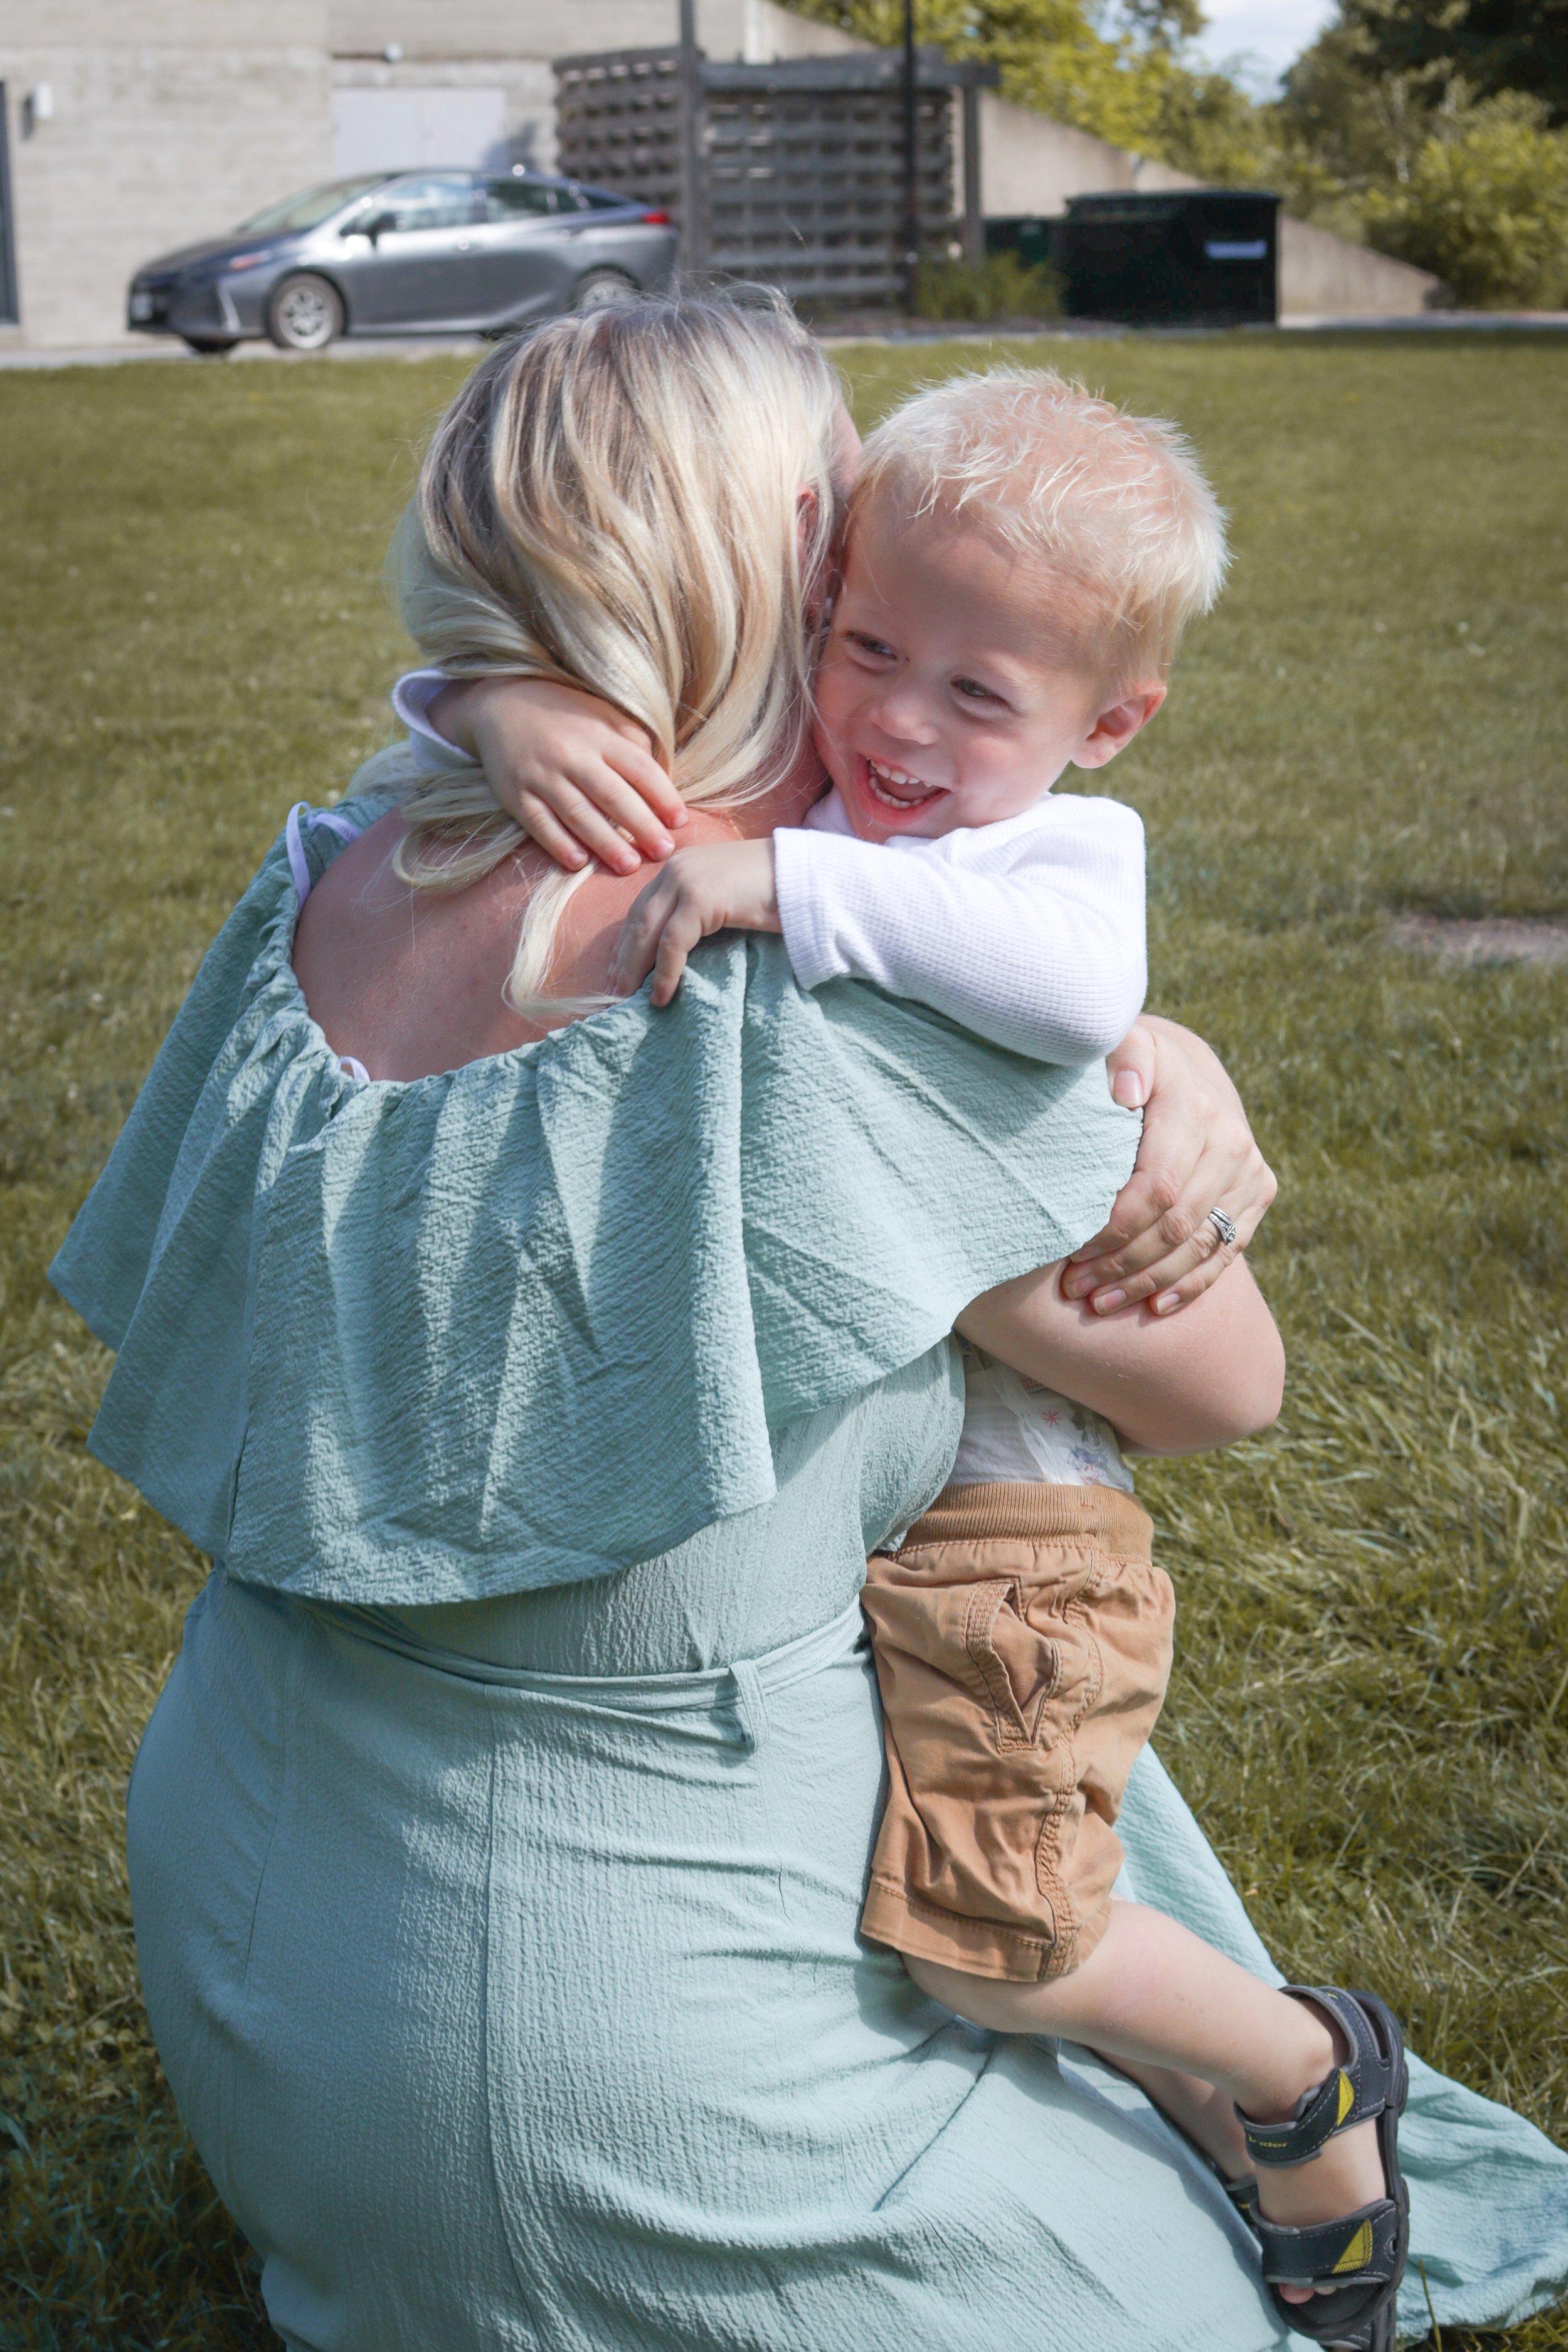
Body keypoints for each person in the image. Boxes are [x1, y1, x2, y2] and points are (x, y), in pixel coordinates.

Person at [48, 300, 1568, 2351]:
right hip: (613, 2093)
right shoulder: (791, 1004)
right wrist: (1127, 1080)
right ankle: (1297, 2075)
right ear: (783, 552)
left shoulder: (317, 889)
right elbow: (1226, 1385)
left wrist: (1127, 1034)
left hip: (261, 1972)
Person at [381, 362, 1407, 2344]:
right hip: (880, 1497)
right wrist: (501, 701)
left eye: (973, 695)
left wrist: (794, 884)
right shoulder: (853, 783)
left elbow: (1073, 980)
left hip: (1024, 1513)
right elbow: (436, 719)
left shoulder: (1019, 859)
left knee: (995, 1948)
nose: (894, 723)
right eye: (860, 646)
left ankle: (1291, 2075)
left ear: (1106, 731)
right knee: (958, 1878)